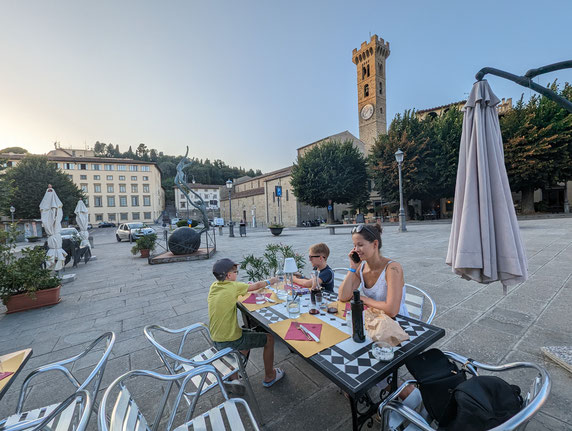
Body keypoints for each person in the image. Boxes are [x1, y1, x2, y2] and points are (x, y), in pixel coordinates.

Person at [337, 224, 422, 417]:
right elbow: (343, 296)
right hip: (375, 324)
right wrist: (352, 269)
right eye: (354, 245)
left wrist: (364, 299)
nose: (356, 249)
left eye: (360, 245)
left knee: (363, 355)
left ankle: (408, 396)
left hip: (397, 328)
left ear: (375, 244)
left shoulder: (392, 268)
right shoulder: (361, 267)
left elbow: (392, 309)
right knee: (347, 344)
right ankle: (366, 388)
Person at [208, 258, 285, 388]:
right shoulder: (233, 286)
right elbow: (256, 286)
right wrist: (270, 281)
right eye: (236, 272)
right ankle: (270, 376)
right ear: (229, 275)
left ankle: (233, 377)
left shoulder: (214, 286)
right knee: (269, 339)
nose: (237, 274)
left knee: (248, 338)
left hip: (216, 337)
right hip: (230, 339)